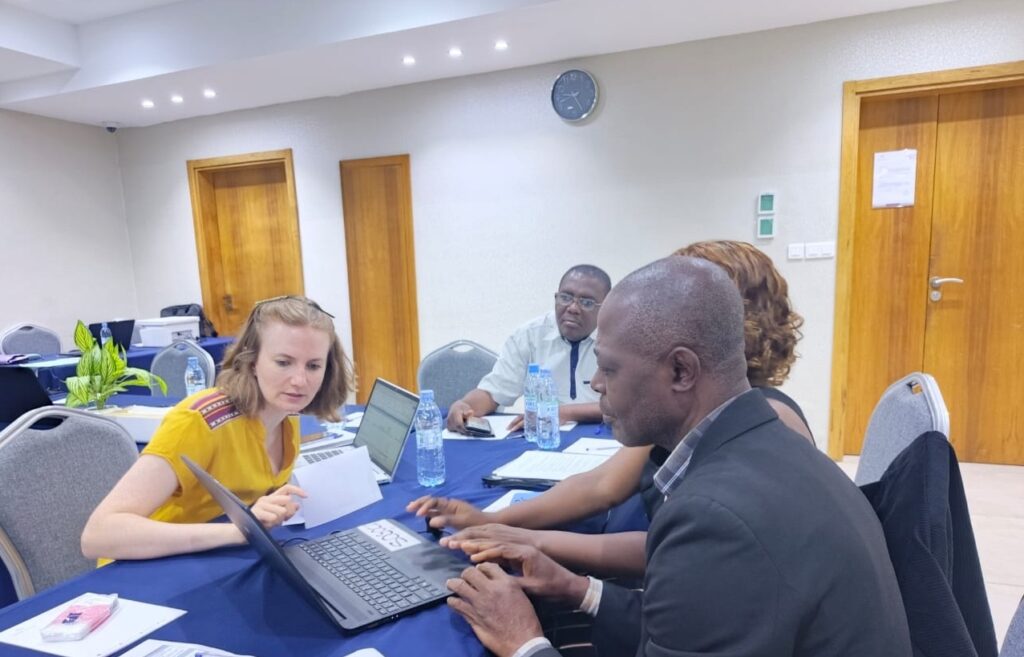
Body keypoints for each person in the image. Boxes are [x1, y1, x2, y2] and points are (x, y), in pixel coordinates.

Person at [444, 256, 911, 657]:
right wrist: (577, 588)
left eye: (608, 368)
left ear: (682, 370)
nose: (596, 386)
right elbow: (700, 622)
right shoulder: (770, 444)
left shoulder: (716, 518)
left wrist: (523, 642)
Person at [409, 241, 810, 576]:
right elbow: (599, 486)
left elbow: (677, 552)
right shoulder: (691, 408)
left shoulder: (768, 425)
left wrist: (527, 540)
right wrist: (490, 522)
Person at [81, 296, 353, 561]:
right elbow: (98, 536)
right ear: (251, 362)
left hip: (216, 558)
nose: (299, 380)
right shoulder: (197, 421)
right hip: (149, 566)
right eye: (283, 362)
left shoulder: (287, 413)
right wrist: (238, 532)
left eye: (314, 365)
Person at [446, 264, 611, 434]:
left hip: (604, 433)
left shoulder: (617, 339)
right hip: (545, 435)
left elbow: (626, 406)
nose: (573, 308)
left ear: (606, 306)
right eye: (565, 297)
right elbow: (493, 392)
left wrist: (560, 412)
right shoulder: (529, 335)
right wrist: (465, 406)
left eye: (586, 302)